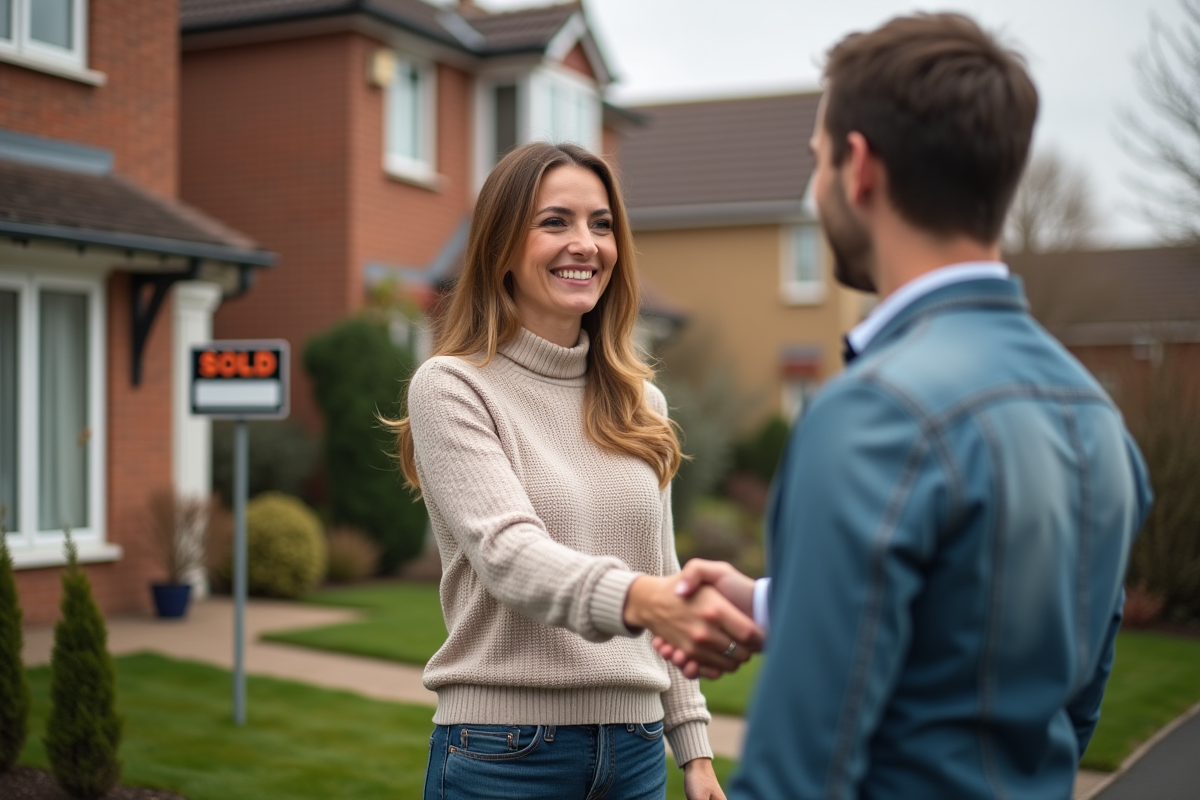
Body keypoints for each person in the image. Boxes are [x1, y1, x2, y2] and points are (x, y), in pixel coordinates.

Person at [657, 13, 1153, 800]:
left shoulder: (873, 414)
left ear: (859, 169)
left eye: (817, 160)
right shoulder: (1097, 418)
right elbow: (1049, 687)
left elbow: (797, 778)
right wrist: (773, 599)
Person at [388, 141, 763, 800]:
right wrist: (642, 600)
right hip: (504, 756)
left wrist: (694, 750)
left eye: (601, 223)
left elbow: (662, 565)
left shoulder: (640, 401)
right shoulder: (451, 387)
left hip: (639, 750)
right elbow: (510, 557)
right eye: (555, 221)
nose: (585, 244)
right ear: (502, 245)